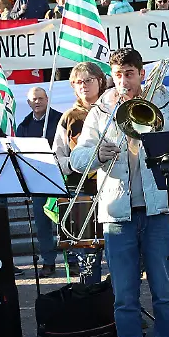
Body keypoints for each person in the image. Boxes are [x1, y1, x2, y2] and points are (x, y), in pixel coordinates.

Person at [70, 48, 169, 337]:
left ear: (141, 74)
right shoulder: (102, 109)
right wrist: (97, 154)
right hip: (117, 212)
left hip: (157, 208)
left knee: (164, 290)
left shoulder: (162, 100)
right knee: (124, 294)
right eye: (118, 74)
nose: (123, 81)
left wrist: (156, 120)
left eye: (130, 74)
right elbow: (77, 158)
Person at [54, 62, 108, 284]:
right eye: (78, 82)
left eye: (88, 80)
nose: (83, 85)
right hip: (82, 192)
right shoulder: (69, 117)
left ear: (100, 81)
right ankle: (92, 301)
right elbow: (57, 158)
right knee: (88, 259)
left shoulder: (114, 109)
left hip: (114, 189)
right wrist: (78, 164)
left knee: (121, 255)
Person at [16, 86, 63, 278]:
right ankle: (48, 261)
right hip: (37, 181)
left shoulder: (60, 120)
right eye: (34, 99)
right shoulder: (24, 126)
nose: (37, 102)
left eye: (41, 98)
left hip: (60, 177)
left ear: (47, 99)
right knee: (42, 224)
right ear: (28, 102)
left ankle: (73, 259)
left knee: (66, 221)